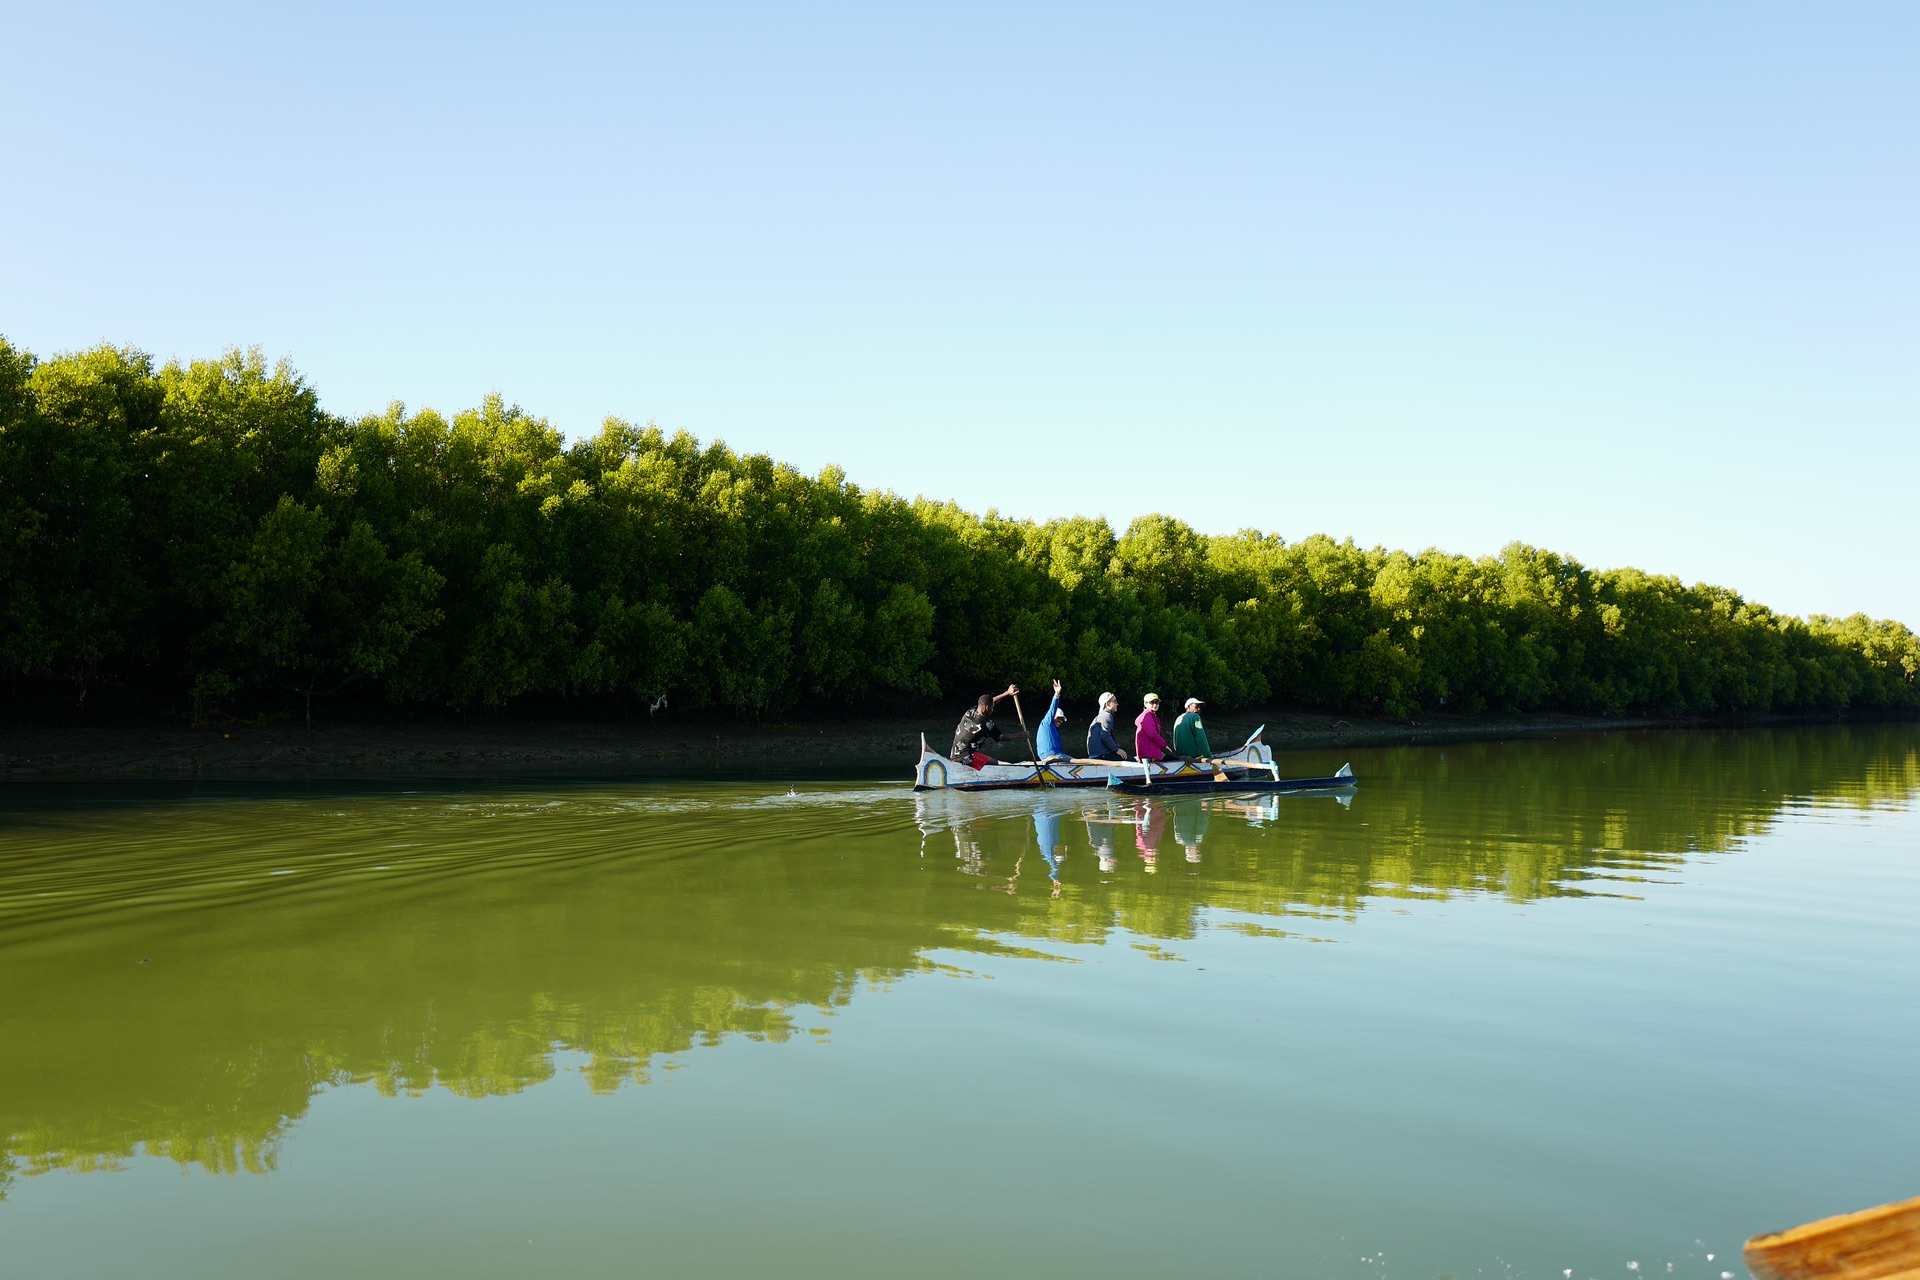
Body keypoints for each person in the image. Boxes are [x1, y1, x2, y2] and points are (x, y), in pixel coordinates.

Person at [951, 685, 1023, 767]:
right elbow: (1002, 737)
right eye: (992, 707)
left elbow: (992, 701)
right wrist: (1021, 735)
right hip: (966, 759)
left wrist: (1007, 693)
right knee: (998, 763)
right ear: (986, 707)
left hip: (954, 755)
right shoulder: (986, 724)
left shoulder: (971, 711)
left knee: (992, 761)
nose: (993, 709)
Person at [1086, 691, 1131, 761]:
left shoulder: (1102, 715)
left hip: (1096, 754)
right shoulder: (1106, 715)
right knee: (1131, 760)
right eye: (1115, 701)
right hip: (1101, 755)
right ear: (1107, 704)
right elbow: (1105, 736)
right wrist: (1117, 750)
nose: (1117, 704)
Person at [1034, 680, 1070, 762]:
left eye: (1062, 719)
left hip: (1054, 755)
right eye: (1058, 718)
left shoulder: (1052, 728)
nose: (1060, 721)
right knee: (1081, 763)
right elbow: (1052, 709)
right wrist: (1057, 694)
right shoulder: (1047, 722)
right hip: (1052, 756)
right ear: (1053, 717)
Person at [1134, 692, 1168, 762]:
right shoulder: (1147, 716)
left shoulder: (1153, 717)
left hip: (1151, 753)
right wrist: (1164, 745)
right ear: (1145, 704)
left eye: (1157, 702)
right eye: (1152, 702)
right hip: (1149, 754)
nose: (1155, 705)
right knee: (1173, 759)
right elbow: (1152, 734)